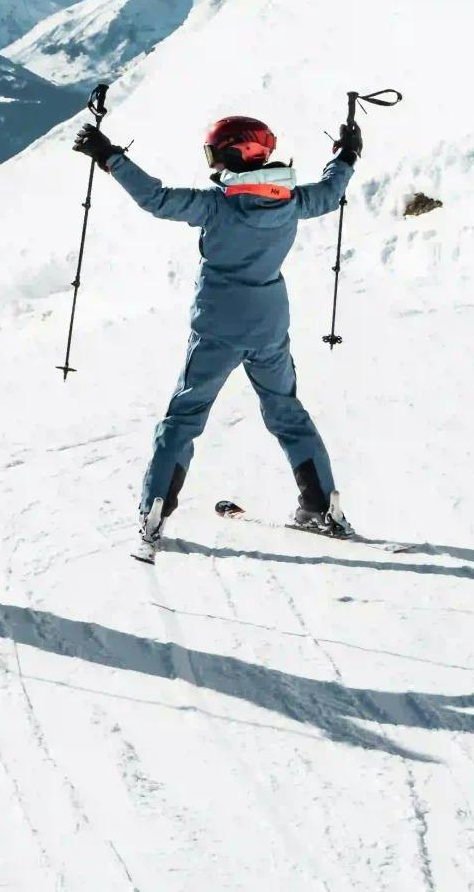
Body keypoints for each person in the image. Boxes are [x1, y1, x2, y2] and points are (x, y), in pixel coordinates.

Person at [73, 110, 362, 559]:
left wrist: (108, 156)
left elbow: (156, 198)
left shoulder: (217, 204)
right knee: (286, 411)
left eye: (217, 152)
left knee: (184, 418)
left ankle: (155, 511)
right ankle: (322, 506)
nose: (213, 163)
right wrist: (346, 153)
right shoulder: (290, 201)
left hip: (217, 327)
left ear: (236, 152)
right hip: (269, 325)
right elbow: (330, 192)